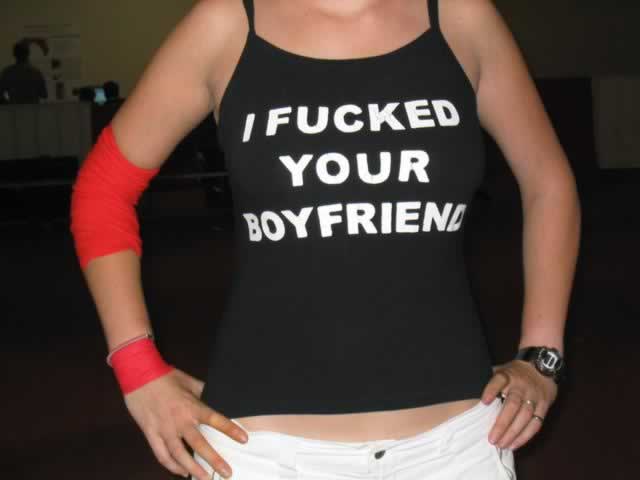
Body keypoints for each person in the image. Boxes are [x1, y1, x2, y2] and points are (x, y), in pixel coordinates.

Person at [69, 1, 580, 480]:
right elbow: (104, 189)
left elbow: (548, 181)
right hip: (263, 452)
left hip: (457, 447)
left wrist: (543, 355)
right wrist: (136, 366)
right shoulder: (227, 24)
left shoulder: (460, 17)